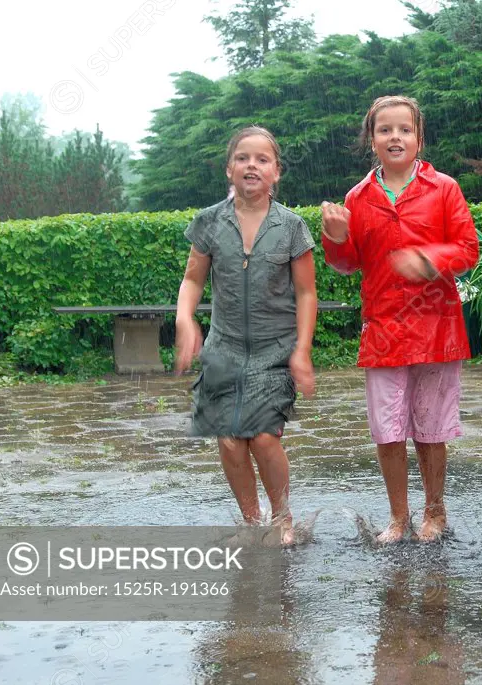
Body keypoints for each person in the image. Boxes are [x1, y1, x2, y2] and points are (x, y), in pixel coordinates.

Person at [321, 95, 478, 544]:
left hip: (436, 326)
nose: (395, 137)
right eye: (385, 130)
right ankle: (398, 517)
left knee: (431, 428)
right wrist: (335, 239)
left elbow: (467, 249)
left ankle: (435, 512)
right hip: (385, 329)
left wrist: (429, 259)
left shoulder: (443, 188)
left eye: (404, 130)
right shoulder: (358, 197)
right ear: (371, 140)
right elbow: (349, 263)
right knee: (387, 430)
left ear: (419, 138)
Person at [175, 126, 317, 547]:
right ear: (228, 169)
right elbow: (191, 280)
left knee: (263, 437)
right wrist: (186, 319)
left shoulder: (291, 227)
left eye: (262, 159)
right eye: (243, 158)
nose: (251, 165)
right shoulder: (209, 222)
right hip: (224, 350)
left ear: (276, 173)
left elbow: (307, 293)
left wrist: (303, 351)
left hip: (276, 351)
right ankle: (252, 522)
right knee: (230, 441)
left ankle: (282, 517)